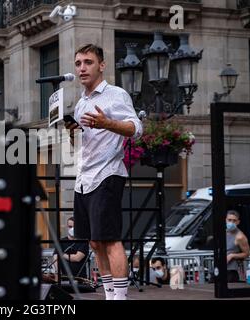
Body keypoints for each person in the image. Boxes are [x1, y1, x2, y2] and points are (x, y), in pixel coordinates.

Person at [65, 44, 143, 300]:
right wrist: (72, 133)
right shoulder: (80, 104)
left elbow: (136, 128)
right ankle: (109, 294)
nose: (82, 68)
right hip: (84, 178)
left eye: (88, 62)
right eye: (78, 63)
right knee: (94, 242)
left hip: (108, 173)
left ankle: (119, 299)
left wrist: (107, 123)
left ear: (101, 65)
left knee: (109, 239)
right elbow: (81, 145)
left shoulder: (116, 95)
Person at [226, 210, 250, 282]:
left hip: (231, 271)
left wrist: (232, 255)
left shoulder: (240, 236)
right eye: (229, 220)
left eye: (234, 220)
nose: (231, 223)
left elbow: (246, 253)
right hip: (219, 269)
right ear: (225, 220)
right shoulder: (223, 232)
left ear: (238, 222)